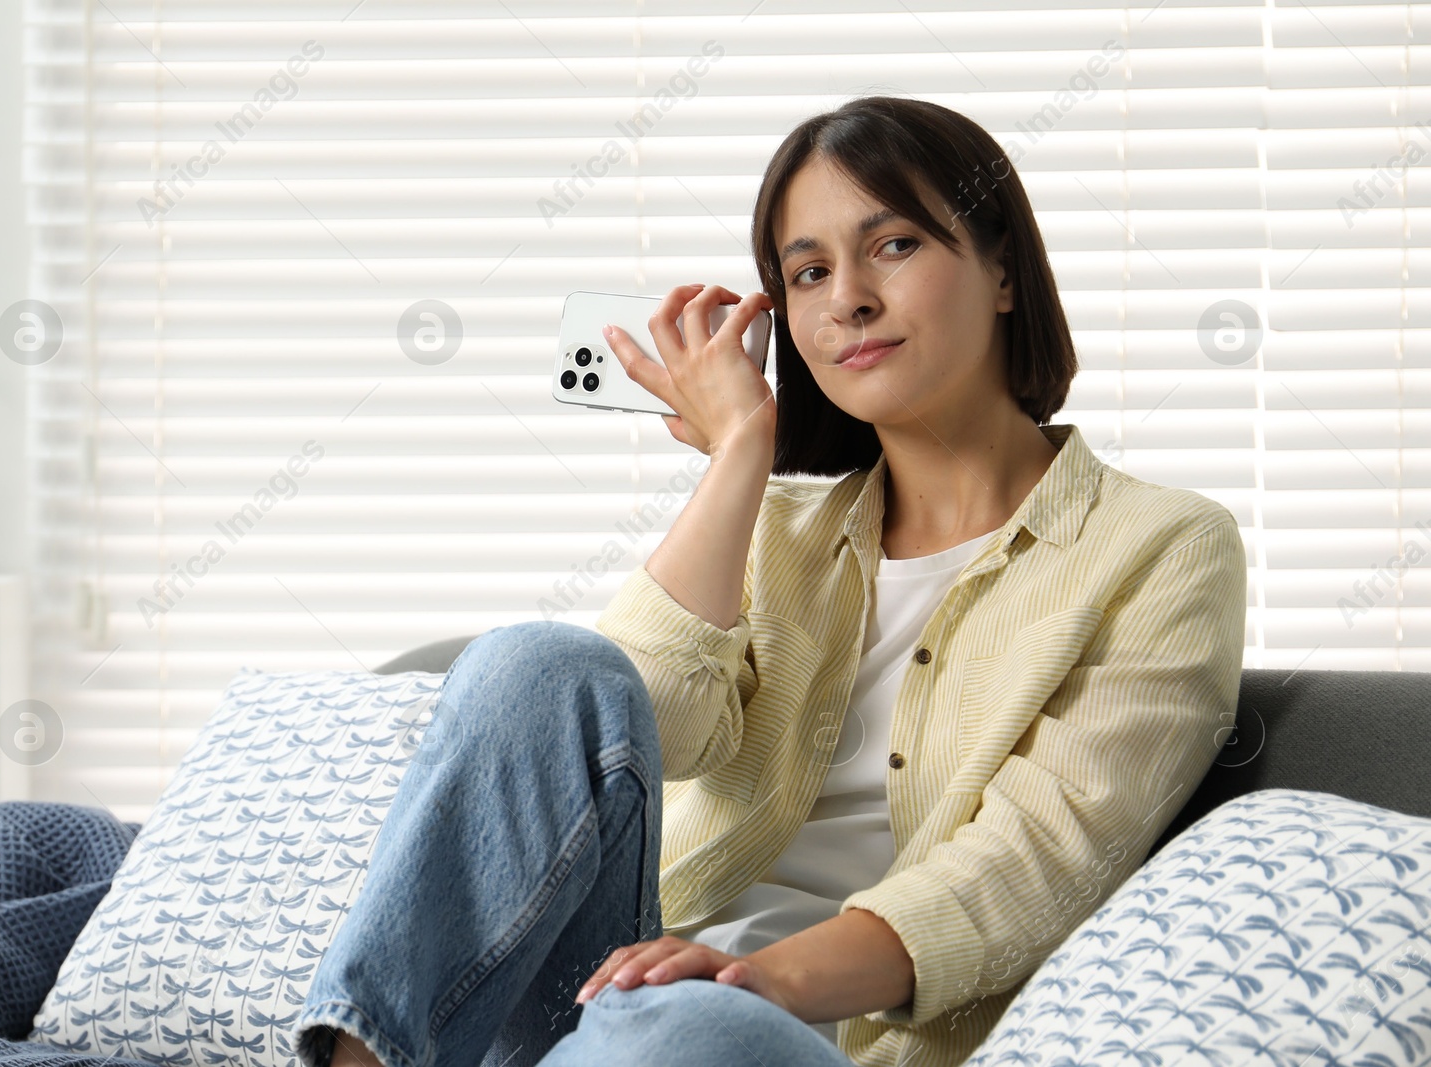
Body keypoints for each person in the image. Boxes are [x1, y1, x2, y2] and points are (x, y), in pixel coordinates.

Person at [295, 95, 1247, 1067]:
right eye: (809, 272)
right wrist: (742, 452)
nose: (847, 299)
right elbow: (644, 726)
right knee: (536, 662)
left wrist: (752, 976)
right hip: (607, 994)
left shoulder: (1161, 545)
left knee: (682, 1025)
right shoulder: (770, 526)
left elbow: (1040, 858)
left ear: (1002, 269)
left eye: (894, 246)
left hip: (792, 1026)